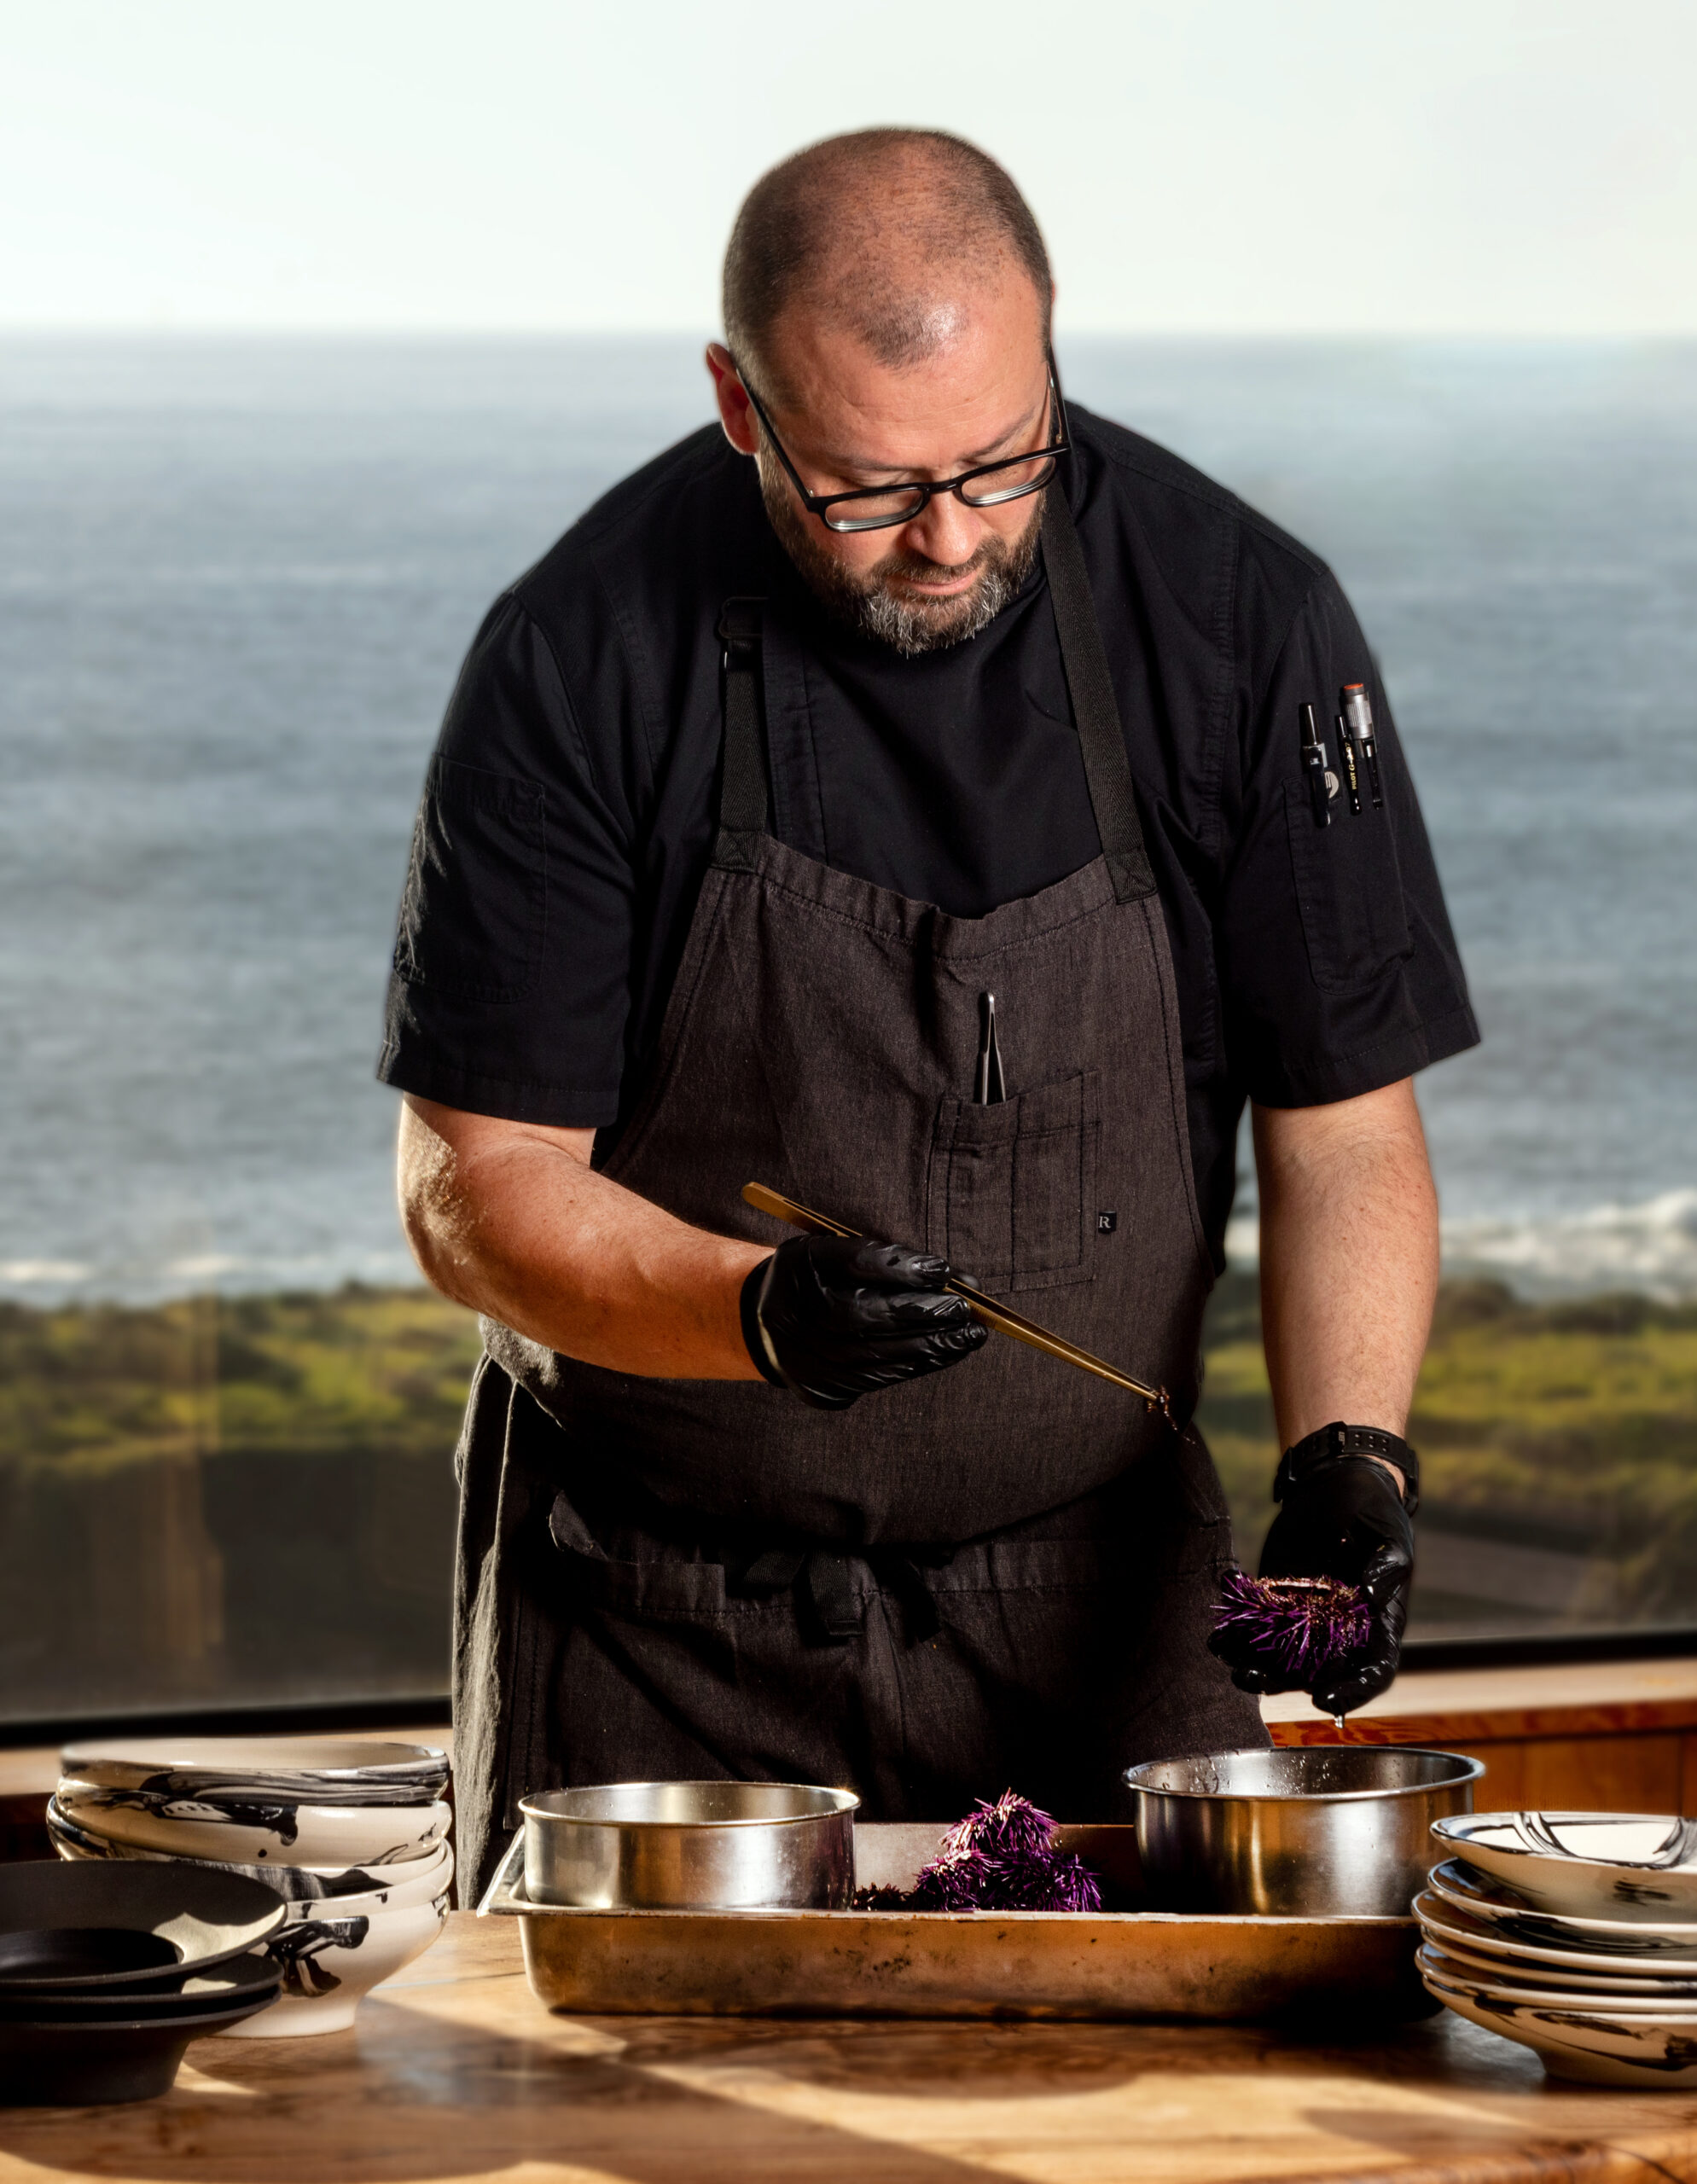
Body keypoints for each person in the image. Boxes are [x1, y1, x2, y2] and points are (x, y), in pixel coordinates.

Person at [381, 128, 1477, 1897]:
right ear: (743, 405)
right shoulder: (576, 652)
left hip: (1099, 1602)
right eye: (870, 489)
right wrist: (751, 1313)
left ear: (1049, 354)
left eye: (1000, 459)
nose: (952, 537)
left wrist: (1352, 1461)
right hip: (655, 1629)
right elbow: (474, 1186)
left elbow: (1344, 1129)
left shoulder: (1239, 617)